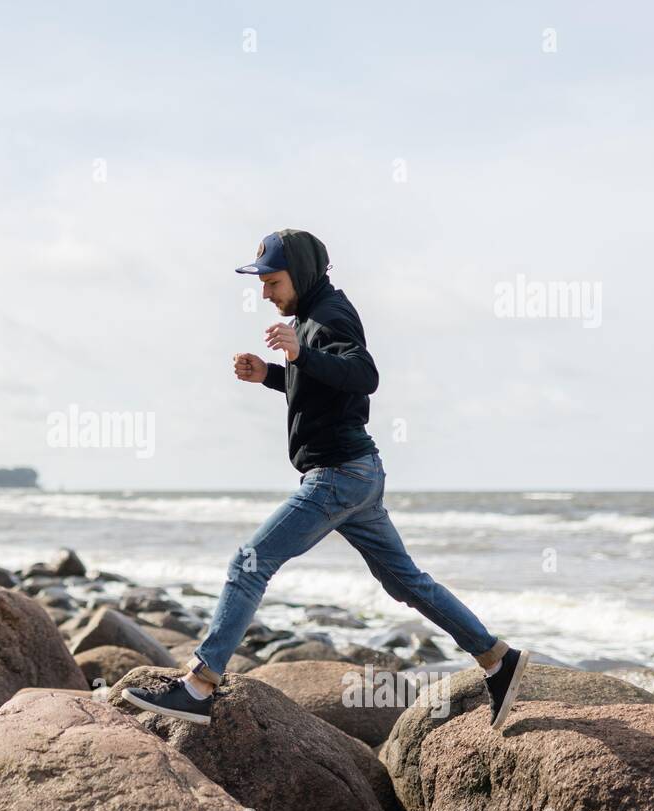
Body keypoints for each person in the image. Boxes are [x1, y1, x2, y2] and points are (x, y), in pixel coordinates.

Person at [122, 229, 529, 730]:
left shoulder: (331, 316)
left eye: (272, 282)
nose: (265, 294)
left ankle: (199, 687)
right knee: (405, 582)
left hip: (339, 475)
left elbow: (364, 377)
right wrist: (270, 373)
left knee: (249, 563)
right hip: (356, 474)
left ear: (302, 273)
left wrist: (300, 355)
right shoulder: (309, 320)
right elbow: (322, 388)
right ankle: (497, 659)